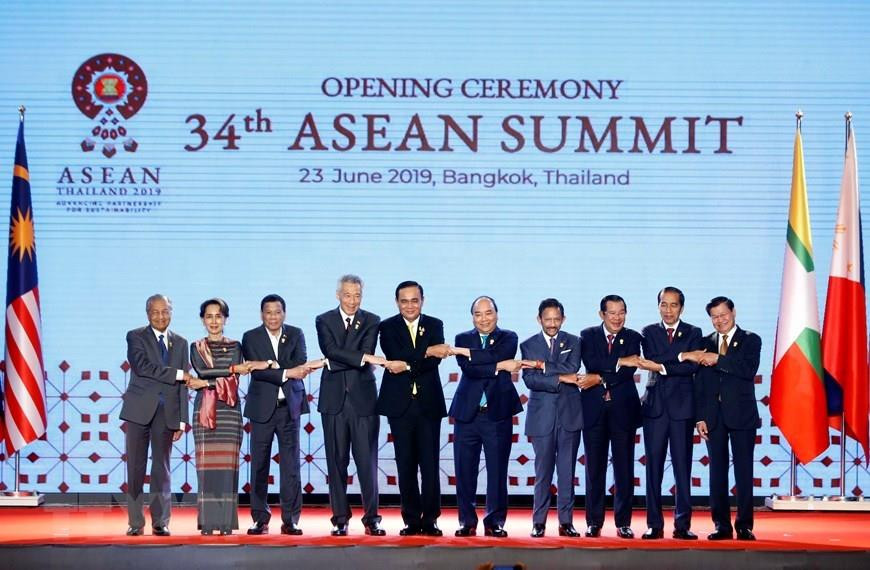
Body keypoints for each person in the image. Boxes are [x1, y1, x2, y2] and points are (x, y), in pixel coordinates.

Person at [242, 294, 322, 535]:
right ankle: (260, 518)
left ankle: (290, 519)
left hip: (289, 408)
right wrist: (285, 370)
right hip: (261, 409)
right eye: (268, 312)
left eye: (277, 312)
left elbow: (301, 363)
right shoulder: (250, 337)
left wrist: (270, 364)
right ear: (261, 315)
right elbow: (257, 372)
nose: (273, 317)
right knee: (259, 465)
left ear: (284, 313)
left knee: (291, 466)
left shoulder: (296, 334)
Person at [376, 281, 451, 536]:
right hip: (400, 406)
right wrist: (426, 351)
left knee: (430, 465)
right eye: (404, 301)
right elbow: (394, 354)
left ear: (423, 301)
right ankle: (410, 519)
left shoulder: (435, 324)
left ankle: (430, 520)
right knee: (405, 464)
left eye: (414, 300)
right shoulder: (387, 326)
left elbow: (433, 363)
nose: (410, 306)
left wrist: (408, 363)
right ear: (397, 302)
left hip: (428, 404)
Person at [683, 296, 761, 541]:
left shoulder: (750, 339)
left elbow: (747, 370)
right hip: (713, 418)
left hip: (742, 415)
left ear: (733, 312)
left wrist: (718, 359)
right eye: (714, 317)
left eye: (723, 315)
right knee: (717, 472)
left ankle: (744, 525)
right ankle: (722, 525)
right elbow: (699, 383)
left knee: (744, 471)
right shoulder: (704, 343)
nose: (719, 320)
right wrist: (700, 417)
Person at [188, 298, 266, 535]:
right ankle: (207, 523)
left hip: (229, 412)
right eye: (209, 316)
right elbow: (203, 370)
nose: (214, 321)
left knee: (227, 469)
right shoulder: (196, 346)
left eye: (218, 316)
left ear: (225, 319)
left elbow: (226, 381)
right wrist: (232, 370)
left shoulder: (235, 346)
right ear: (202, 320)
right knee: (206, 469)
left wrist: (205, 383)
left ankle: (225, 523)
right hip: (204, 411)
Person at [315, 275, 385, 536]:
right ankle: (340, 518)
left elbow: (363, 351)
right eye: (347, 295)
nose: (353, 301)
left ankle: (372, 518)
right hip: (333, 401)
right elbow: (331, 349)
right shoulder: (324, 320)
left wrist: (333, 361)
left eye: (357, 295)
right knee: (336, 464)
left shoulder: (372, 320)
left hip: (363, 401)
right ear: (338, 295)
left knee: (367, 463)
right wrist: (360, 357)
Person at [120, 294, 194, 537]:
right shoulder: (135, 336)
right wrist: (178, 374)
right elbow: (142, 367)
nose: (160, 316)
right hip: (138, 410)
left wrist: (182, 420)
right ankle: (135, 521)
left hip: (166, 412)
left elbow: (182, 388)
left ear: (171, 312)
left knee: (162, 468)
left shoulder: (181, 342)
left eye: (165, 311)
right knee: (136, 467)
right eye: (155, 312)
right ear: (147, 314)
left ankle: (160, 522)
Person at [449, 296, 523, 538]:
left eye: (488, 313)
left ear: (497, 314)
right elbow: (469, 369)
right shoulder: (462, 338)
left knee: (497, 471)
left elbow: (493, 355)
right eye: (478, 314)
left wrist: (477, 357)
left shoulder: (509, 337)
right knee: (464, 471)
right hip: (467, 415)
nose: (484, 319)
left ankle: (494, 522)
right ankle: (467, 521)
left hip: (497, 414)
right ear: (472, 317)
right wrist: (500, 365)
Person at [636, 287, 702, 540]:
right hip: (655, 408)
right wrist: (683, 355)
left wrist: (667, 364)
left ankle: (682, 524)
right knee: (653, 467)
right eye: (664, 304)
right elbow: (653, 357)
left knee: (682, 468)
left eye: (673, 305)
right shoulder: (648, 332)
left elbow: (691, 368)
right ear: (658, 306)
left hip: (682, 409)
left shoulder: (694, 332)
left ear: (681, 308)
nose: (668, 310)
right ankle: (654, 524)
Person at [579, 294, 642, 539]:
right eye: (612, 313)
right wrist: (618, 362)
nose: (617, 318)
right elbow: (591, 361)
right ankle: (594, 521)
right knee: (594, 469)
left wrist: (601, 376)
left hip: (623, 410)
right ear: (602, 314)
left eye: (621, 312)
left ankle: (623, 522)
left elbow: (628, 371)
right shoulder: (588, 335)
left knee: (624, 468)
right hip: (593, 409)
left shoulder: (634, 337)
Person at [520, 298, 583, 538]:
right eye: (548, 319)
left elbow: (572, 367)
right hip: (541, 416)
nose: (553, 324)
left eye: (557, 319)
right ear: (539, 319)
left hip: (570, 415)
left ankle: (566, 522)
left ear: (563, 319)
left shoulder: (575, 341)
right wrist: (560, 378)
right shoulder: (528, 345)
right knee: (543, 472)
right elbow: (530, 380)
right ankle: (539, 522)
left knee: (567, 472)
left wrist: (542, 366)